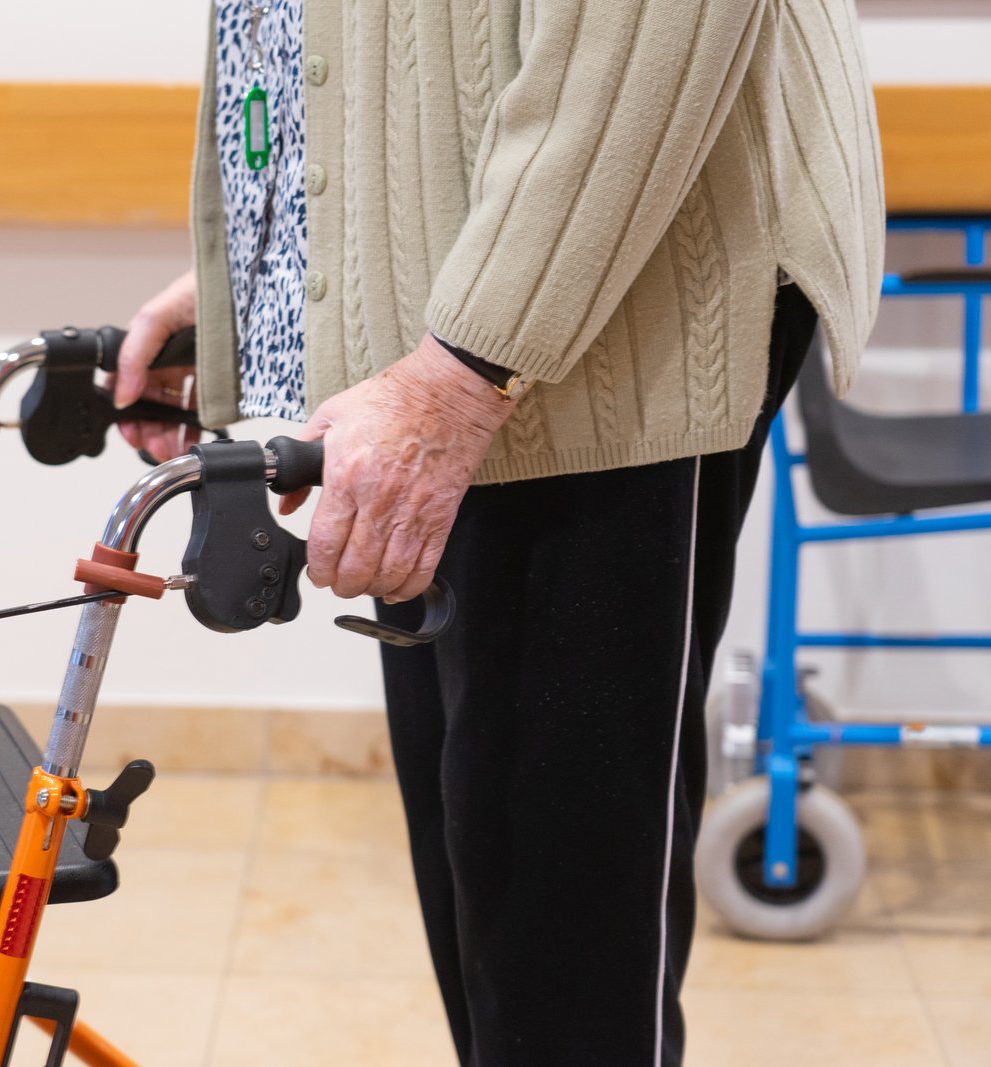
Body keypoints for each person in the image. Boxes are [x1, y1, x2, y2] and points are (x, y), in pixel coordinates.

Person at [112, 1, 882, 1063]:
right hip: (470, 313)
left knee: (562, 964)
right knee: (492, 899)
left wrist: (463, 373)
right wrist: (265, 281)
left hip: (601, 319)